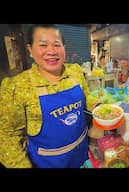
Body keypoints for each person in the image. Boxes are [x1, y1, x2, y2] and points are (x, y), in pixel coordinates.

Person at [0, 24, 91, 168]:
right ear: (30, 50)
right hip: (48, 162)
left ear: (64, 48)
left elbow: (88, 98)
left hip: (82, 154)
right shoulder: (19, 86)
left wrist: (99, 107)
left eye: (56, 44)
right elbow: (6, 136)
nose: (51, 51)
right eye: (43, 45)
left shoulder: (76, 72)